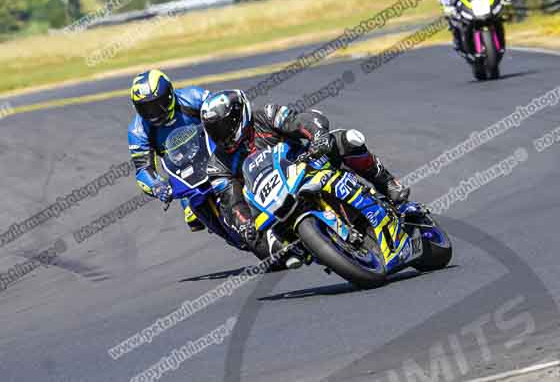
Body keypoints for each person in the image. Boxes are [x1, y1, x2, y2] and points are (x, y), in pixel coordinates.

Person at [199, 89, 410, 267]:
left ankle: (387, 182)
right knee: (253, 238)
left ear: (239, 115)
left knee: (346, 139)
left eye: (225, 127)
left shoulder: (266, 115)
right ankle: (301, 249)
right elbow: (231, 201)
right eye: (214, 131)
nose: (222, 135)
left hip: (308, 165)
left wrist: (318, 136)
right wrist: (244, 223)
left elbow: (302, 120)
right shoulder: (217, 165)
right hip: (273, 203)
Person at [127, 69, 208, 232]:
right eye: (146, 108)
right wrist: (157, 186)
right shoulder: (138, 131)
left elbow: (222, 109)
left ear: (169, 95)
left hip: (216, 153)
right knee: (194, 218)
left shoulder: (193, 97)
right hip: (184, 174)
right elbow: (143, 170)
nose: (153, 113)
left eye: (157, 104)